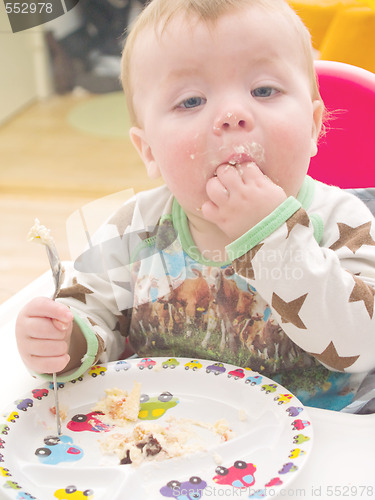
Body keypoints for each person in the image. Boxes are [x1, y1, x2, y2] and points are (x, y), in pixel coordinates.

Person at [16, 0, 375, 412]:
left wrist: (272, 237)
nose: (232, 115)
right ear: (148, 150)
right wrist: (65, 340)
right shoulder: (134, 231)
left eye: (263, 90)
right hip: (172, 440)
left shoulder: (342, 224)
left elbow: (363, 345)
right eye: (190, 101)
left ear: (313, 127)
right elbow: (90, 312)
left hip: (324, 446)